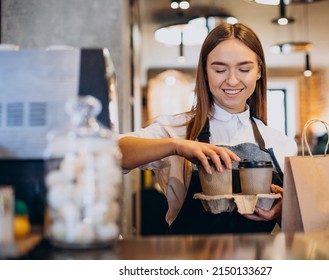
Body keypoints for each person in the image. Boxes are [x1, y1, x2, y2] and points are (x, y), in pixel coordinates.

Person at [119, 23, 297, 235]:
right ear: (204, 72)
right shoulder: (177, 130)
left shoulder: (279, 142)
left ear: (259, 71)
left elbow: (299, 229)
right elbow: (111, 153)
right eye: (220, 69)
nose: (232, 80)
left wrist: (281, 212)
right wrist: (176, 146)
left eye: (244, 69)